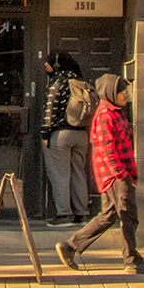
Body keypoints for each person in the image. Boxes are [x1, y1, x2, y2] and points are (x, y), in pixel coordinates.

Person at [55, 74, 144, 275]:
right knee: (128, 216)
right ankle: (132, 260)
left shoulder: (116, 112)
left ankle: (70, 246)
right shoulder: (106, 115)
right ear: (111, 93)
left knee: (109, 215)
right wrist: (121, 175)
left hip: (118, 175)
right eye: (122, 92)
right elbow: (106, 149)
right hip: (115, 176)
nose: (126, 96)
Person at [41, 51, 91, 228]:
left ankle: (64, 214)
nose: (45, 67)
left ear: (56, 65)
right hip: (82, 134)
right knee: (79, 173)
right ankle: (82, 214)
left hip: (61, 134)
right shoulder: (80, 81)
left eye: (47, 63)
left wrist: (45, 134)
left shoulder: (57, 82)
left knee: (59, 175)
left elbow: (50, 110)